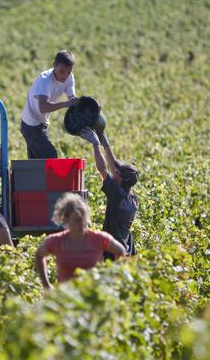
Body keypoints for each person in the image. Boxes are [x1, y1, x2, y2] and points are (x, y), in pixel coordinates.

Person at [35, 193, 126, 289]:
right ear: (66, 219)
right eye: (77, 220)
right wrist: (46, 285)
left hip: (92, 295)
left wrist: (113, 279)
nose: (82, 223)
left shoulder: (98, 238)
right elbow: (39, 255)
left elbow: (121, 251)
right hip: (65, 298)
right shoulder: (56, 241)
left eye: (84, 219)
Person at [80, 128, 139, 257]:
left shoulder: (116, 195)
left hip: (113, 251)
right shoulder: (133, 199)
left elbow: (102, 168)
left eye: (117, 173)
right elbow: (115, 167)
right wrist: (104, 141)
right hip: (126, 248)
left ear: (121, 179)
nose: (114, 172)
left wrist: (96, 144)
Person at [21, 50, 79, 159]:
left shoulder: (69, 76)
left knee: (35, 162)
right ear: (54, 66)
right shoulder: (45, 80)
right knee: (50, 155)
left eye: (68, 72)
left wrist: (82, 103)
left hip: (40, 123)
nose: (65, 75)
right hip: (31, 124)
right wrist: (66, 104)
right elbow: (43, 107)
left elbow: (72, 98)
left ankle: (27, 176)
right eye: (61, 71)